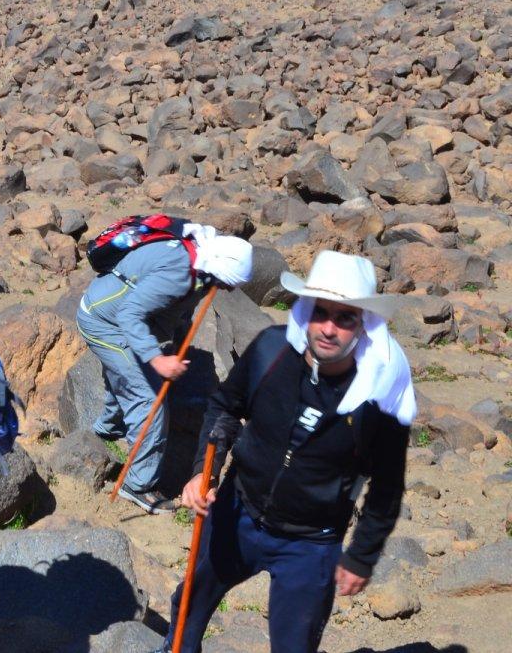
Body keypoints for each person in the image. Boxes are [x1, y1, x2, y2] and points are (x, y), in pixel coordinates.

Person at [154, 250, 415, 653]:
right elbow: (224, 407)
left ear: (363, 325)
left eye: (345, 317)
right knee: (190, 602)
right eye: (320, 312)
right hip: (237, 511)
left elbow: (387, 487)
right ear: (305, 310)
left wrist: (361, 555)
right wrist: (202, 473)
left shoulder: (378, 397)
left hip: (310, 543)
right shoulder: (270, 351)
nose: (329, 328)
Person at [76, 222, 253, 513]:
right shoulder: (179, 272)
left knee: (126, 377)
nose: (230, 289)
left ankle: (107, 429)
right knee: (148, 402)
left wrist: (172, 342)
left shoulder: (199, 262)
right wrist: (157, 359)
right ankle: (138, 485)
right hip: (104, 323)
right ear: (219, 270)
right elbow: (129, 315)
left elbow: (177, 309)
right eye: (229, 282)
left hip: (110, 313)